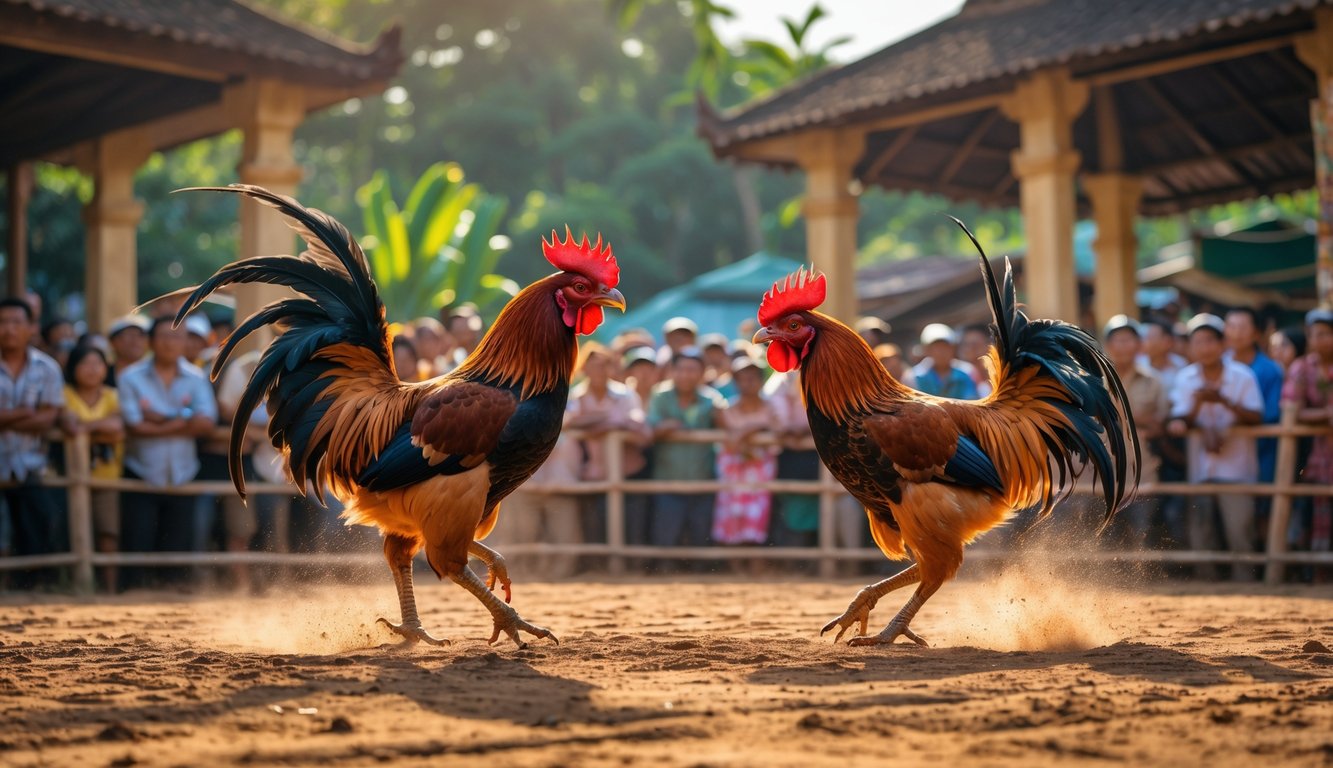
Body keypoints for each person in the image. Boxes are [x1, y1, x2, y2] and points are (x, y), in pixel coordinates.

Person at [117, 318, 218, 590]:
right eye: (163, 336)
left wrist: (160, 419)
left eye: (176, 337)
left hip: (183, 471)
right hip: (141, 470)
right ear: (151, 341)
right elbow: (134, 425)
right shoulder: (130, 377)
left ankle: (172, 595)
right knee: (137, 539)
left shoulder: (197, 378)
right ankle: (134, 593)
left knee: (178, 543)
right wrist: (184, 420)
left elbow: (207, 423)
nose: (169, 342)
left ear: (185, 341)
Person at [1167, 314, 1263, 580]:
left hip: (1237, 467)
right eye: (1197, 342)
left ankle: (1246, 580)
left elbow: (1257, 416)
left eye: (1209, 341)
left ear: (1222, 344)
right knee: (1201, 526)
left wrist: (1223, 401)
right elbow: (1179, 418)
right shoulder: (1185, 378)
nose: (1204, 347)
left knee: (1240, 527)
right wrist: (1199, 404)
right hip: (1201, 467)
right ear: (1190, 347)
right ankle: (1205, 580)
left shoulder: (1242, 376)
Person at [0, 297, 65, 587]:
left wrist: (6, 417)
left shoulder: (48, 368)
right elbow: (38, 416)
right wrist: (26, 413)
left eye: (16, 322)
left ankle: (35, 588)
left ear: (31, 328)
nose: (9, 329)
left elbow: (48, 418)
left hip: (31, 467)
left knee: (38, 529)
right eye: (3, 322)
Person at [566, 343, 650, 561]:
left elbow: (637, 423)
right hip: (595, 473)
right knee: (596, 527)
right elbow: (569, 423)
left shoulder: (625, 394)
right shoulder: (577, 396)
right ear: (584, 369)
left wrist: (596, 424)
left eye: (603, 366)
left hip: (630, 471)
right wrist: (610, 421)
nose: (598, 372)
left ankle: (635, 569)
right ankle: (600, 568)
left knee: (635, 526)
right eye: (593, 367)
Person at [647, 347, 725, 569]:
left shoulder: (711, 400)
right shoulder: (660, 396)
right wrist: (664, 428)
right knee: (665, 537)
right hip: (668, 480)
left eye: (692, 370)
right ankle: (664, 578)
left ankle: (701, 581)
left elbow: (726, 423)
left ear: (702, 373)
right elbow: (649, 428)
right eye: (681, 369)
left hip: (702, 480)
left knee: (701, 536)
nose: (686, 375)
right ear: (672, 371)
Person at [1101, 316, 1169, 548]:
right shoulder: (1094, 381)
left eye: (1128, 340)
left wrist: (1123, 417)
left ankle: (1145, 581)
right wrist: (1136, 419)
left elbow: (1162, 425)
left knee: (1142, 534)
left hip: (1143, 470)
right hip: (1101, 473)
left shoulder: (1154, 382)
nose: (1123, 345)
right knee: (1104, 536)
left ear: (1139, 345)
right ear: (1108, 345)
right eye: (1117, 340)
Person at [60, 345, 124, 591]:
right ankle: (77, 585)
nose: (91, 369)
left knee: (108, 533)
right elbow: (66, 423)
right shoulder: (64, 394)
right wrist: (100, 427)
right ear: (73, 367)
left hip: (106, 476)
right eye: (85, 363)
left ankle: (109, 589)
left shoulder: (112, 395)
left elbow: (117, 427)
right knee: (69, 532)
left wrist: (86, 427)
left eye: (97, 363)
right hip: (70, 474)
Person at [1225, 307, 1285, 548]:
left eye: (1243, 327)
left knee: (1264, 506)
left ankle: (1267, 562)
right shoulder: (1218, 364)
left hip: (1264, 449)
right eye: (1231, 327)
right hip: (1227, 449)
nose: (1236, 333)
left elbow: (1270, 414)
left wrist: (1234, 416)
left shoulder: (1270, 369)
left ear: (1256, 333)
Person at [712, 357, 778, 572]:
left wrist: (747, 431)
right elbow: (729, 443)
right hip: (734, 474)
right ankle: (735, 566)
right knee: (731, 514)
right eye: (742, 378)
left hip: (759, 475)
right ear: (736, 382)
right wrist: (748, 441)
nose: (748, 383)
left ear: (760, 381)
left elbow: (778, 434)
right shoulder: (725, 410)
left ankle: (753, 564)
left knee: (756, 516)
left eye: (752, 378)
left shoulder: (771, 409)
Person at [1281, 308, 1333, 579]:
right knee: (1314, 513)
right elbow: (1291, 408)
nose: (1322, 339)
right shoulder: (1301, 367)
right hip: (1315, 455)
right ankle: (1316, 573)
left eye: (1326, 334)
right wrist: (1326, 414)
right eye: (1316, 335)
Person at [911, 324, 978, 399]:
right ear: (927, 350)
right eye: (936, 348)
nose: (941, 352)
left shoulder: (967, 372)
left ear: (953, 348)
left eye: (945, 346)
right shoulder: (914, 377)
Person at [107, 314, 150, 383]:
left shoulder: (159, 375)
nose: (135, 340)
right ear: (112, 342)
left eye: (141, 335)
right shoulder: (101, 376)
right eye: (128, 334)